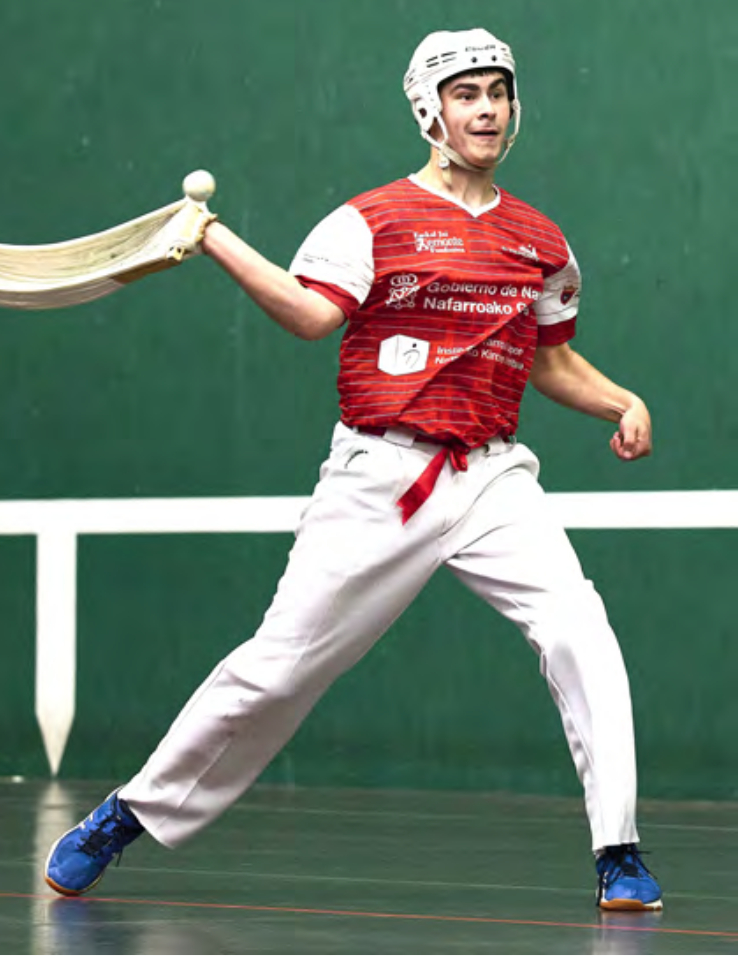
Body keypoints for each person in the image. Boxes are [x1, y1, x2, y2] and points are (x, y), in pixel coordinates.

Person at [45, 27, 662, 911]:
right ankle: (129, 812)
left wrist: (620, 400)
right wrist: (213, 239)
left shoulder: (540, 241)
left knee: (579, 627)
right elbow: (308, 315)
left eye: (497, 92)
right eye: (465, 94)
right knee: (280, 667)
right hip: (381, 475)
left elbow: (551, 360)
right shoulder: (367, 220)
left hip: (491, 477)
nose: (487, 109)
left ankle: (618, 851)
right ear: (428, 111)